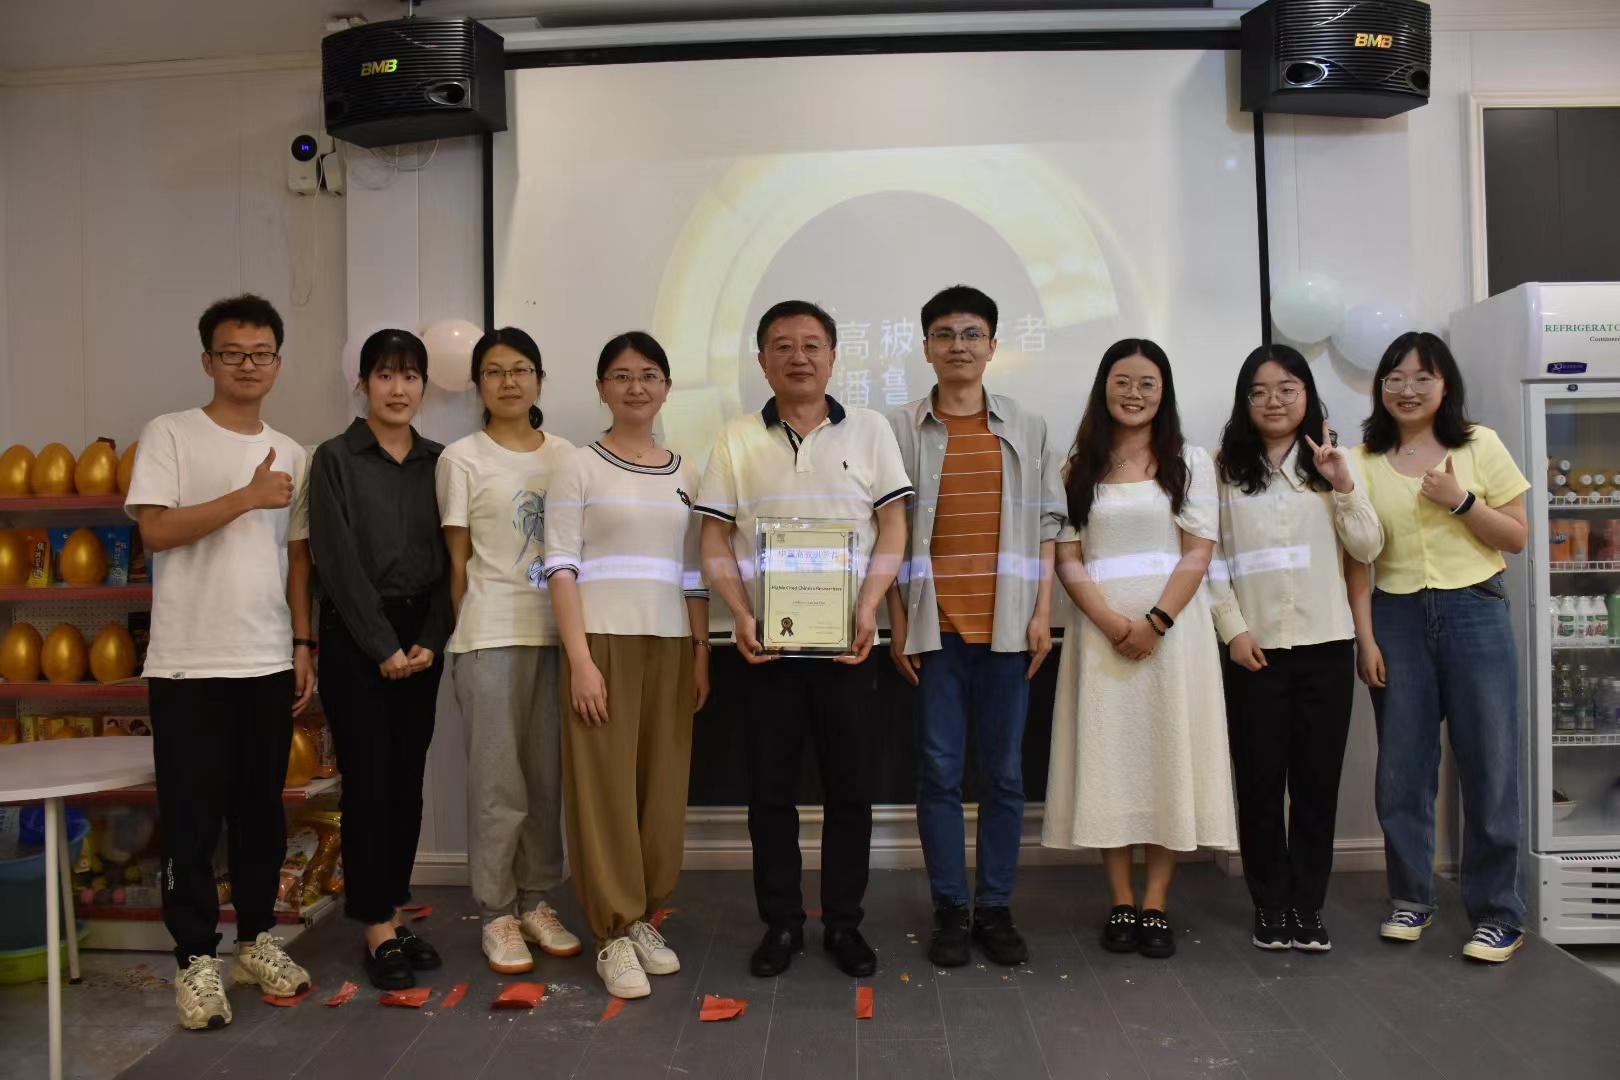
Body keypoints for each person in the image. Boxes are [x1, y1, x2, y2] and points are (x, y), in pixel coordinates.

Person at [696, 300, 912, 979]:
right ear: (762, 360)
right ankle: (782, 925)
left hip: (848, 648)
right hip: (766, 650)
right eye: (783, 345)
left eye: (812, 344)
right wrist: (740, 612)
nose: (799, 356)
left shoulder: (871, 430)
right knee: (770, 796)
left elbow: (895, 529)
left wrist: (868, 607)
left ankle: (844, 924)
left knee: (850, 793)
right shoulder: (735, 439)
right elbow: (712, 539)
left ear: (833, 356)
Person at [125, 293, 316, 1029]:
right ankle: (195, 960)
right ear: (208, 360)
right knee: (192, 821)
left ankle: (257, 940)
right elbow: (155, 531)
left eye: (260, 353)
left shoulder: (293, 452)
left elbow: (297, 561)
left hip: (265, 659)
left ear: (277, 363)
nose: (247, 365)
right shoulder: (170, 434)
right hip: (187, 664)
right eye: (233, 353)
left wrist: (302, 645)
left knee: (262, 817)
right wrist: (245, 496)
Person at [885, 285, 1064, 968]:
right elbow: (885, 529)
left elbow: (1049, 524)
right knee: (938, 773)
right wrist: (897, 621)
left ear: (991, 345)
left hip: (1009, 626)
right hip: (935, 626)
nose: (958, 346)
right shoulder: (899, 428)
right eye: (944, 334)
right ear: (926, 347)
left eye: (971, 334)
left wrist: (1044, 612)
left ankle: (994, 906)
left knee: (1005, 776)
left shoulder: (1027, 425)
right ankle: (950, 909)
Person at [1042, 338, 1235, 959]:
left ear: (1164, 392)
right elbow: (1068, 557)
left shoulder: (1190, 461)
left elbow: (1198, 552)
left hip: (1172, 637)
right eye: (1122, 381)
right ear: (1104, 387)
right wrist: (1108, 620)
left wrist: (1155, 621)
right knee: (1111, 761)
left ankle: (1156, 903)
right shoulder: (1078, 466)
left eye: (1147, 383)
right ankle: (1121, 900)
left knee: (1164, 757)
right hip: (1101, 638)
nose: (1133, 393)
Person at [1346, 331, 1530, 963]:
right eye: (1394, 378)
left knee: (1490, 763)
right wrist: (1365, 637)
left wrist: (1462, 502)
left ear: (1445, 385)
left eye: (1422, 377)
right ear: (1380, 387)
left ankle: (1498, 913)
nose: (1407, 389)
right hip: (1395, 615)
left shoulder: (1480, 444)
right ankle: (1410, 898)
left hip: (1475, 607)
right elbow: (1357, 560)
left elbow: (1516, 536)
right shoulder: (1362, 458)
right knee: (1402, 766)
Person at [542, 331, 710, 1000]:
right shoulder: (577, 466)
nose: (635, 386)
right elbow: (560, 565)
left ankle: (643, 916)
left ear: (666, 387)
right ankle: (611, 931)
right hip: (602, 644)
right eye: (621, 375)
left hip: (670, 645)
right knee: (603, 789)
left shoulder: (687, 473)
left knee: (661, 789)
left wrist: (700, 651)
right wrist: (580, 660)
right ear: (601, 387)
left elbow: (694, 573)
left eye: (648, 375)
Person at [1209, 345, 1383, 953]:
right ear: (1244, 401)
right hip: (1253, 650)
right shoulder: (1223, 470)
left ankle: (1307, 906)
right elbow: (1211, 560)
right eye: (1259, 391)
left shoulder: (1336, 463)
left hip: (1325, 647)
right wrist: (1233, 630)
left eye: (1287, 389)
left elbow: (1366, 548)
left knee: (1316, 787)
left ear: (1307, 395)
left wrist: (1342, 485)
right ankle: (1270, 904)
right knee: (1259, 785)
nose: (1274, 401)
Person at [308, 329, 451, 990]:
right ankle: (372, 925)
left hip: (422, 637)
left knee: (406, 784)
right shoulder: (335, 458)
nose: (399, 389)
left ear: (424, 385)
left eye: (410, 376)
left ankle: (392, 911)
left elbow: (456, 558)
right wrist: (381, 645)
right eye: (386, 376)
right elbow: (334, 558)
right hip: (356, 636)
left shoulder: (440, 461)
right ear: (363, 383)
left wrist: (432, 636)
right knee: (368, 786)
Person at [437, 327, 583, 974]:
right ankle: (496, 910)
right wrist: (465, 634)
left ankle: (536, 900)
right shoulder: (462, 458)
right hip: (491, 633)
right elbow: (457, 562)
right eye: (494, 371)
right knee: (499, 783)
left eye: (521, 369)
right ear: (478, 385)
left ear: (540, 381)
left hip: (558, 634)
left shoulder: (568, 456)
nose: (509, 382)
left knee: (546, 780)